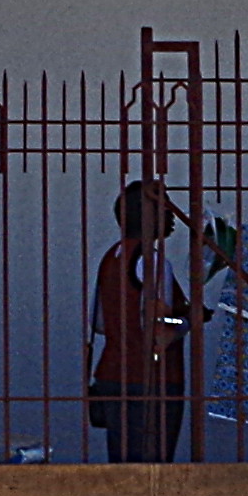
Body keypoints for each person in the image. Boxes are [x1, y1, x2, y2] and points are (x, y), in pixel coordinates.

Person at [83, 177, 190, 461]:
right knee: (153, 463)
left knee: (123, 461)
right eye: (164, 208)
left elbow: (99, 324)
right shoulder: (154, 262)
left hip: (112, 373)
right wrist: (188, 321)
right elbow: (161, 328)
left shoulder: (111, 258)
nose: (172, 214)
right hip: (153, 378)